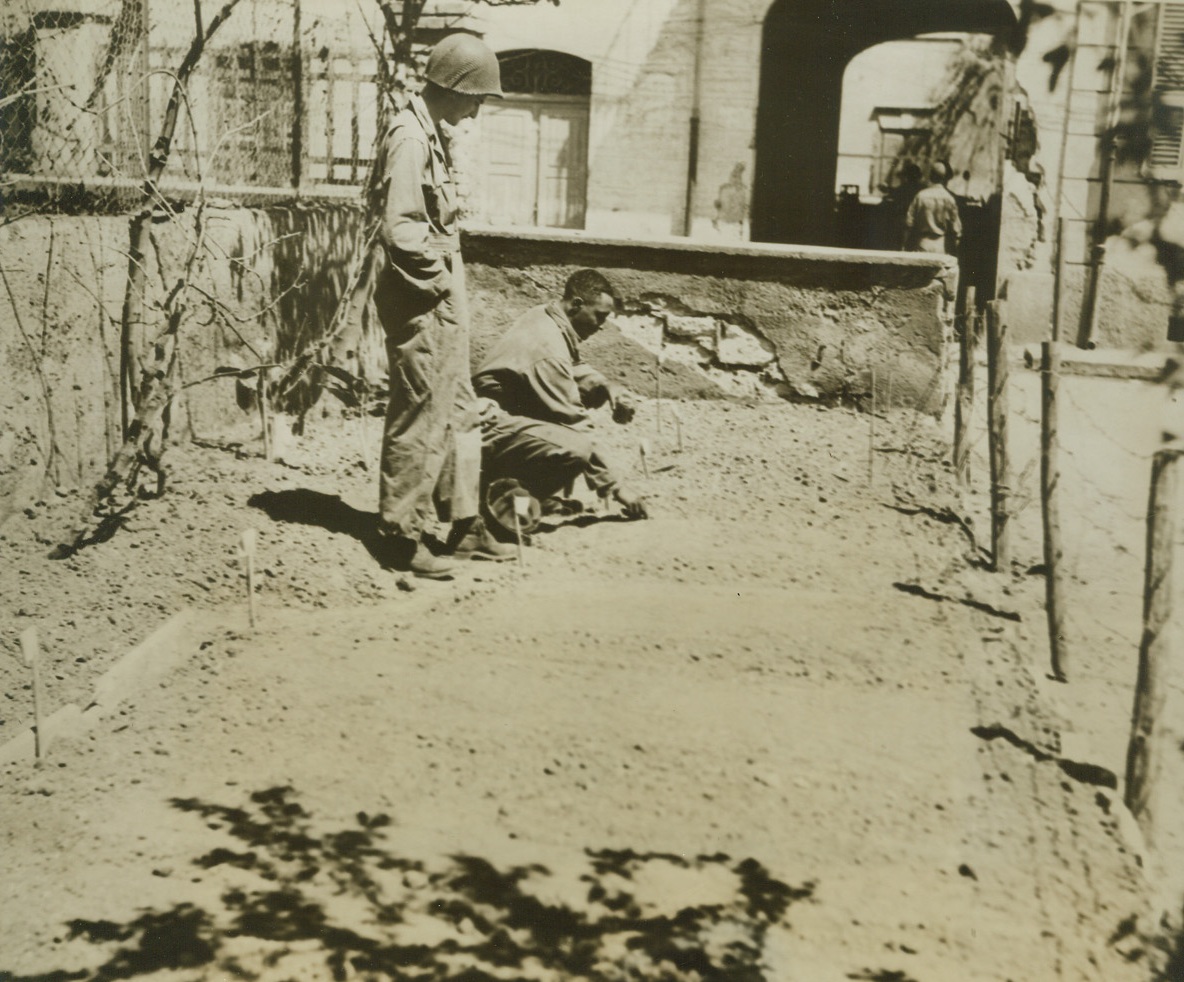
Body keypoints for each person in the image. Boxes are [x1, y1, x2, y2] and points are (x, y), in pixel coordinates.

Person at [370, 34, 512, 578]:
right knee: (420, 413)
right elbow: (401, 231)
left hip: (441, 291)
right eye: (476, 97)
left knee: (461, 412)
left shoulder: (431, 133)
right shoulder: (409, 137)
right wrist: (437, 290)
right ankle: (399, 536)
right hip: (421, 296)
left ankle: (466, 522)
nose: (477, 109)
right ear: (454, 86)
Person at [472, 269, 649, 531]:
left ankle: (532, 498)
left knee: (561, 433)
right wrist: (617, 489)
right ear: (577, 304)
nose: (601, 326)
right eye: (599, 316)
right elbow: (574, 420)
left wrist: (605, 386)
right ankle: (502, 508)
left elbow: (571, 366)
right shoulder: (548, 349)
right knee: (574, 447)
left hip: (500, 420)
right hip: (482, 428)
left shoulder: (547, 316)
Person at [903, 161, 962, 255]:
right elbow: (956, 230)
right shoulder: (949, 199)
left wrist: (904, 245)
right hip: (940, 245)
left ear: (931, 176)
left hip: (923, 244)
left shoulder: (920, 196)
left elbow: (908, 223)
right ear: (944, 178)